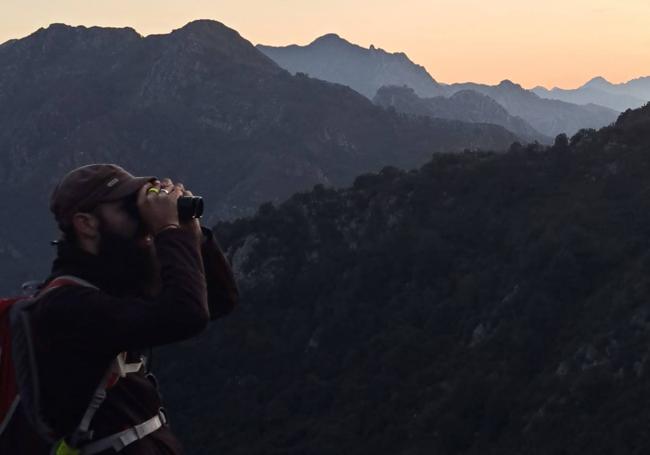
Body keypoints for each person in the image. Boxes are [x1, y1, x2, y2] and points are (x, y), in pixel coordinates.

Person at [0, 163, 239, 454]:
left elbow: (220, 299)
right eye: (129, 207)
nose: (141, 216)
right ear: (86, 223)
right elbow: (188, 315)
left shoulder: (112, 282)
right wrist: (168, 230)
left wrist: (192, 231)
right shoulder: (65, 307)